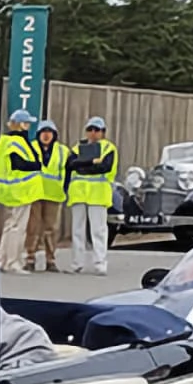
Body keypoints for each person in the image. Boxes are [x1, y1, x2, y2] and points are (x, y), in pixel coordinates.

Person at [0, 110, 42, 275]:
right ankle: (13, 262)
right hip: (21, 190)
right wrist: (36, 165)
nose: (29, 126)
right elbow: (19, 164)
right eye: (27, 123)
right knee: (18, 227)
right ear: (21, 124)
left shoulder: (3, 141)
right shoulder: (18, 142)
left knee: (10, 225)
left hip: (8, 190)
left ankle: (2, 259)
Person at [65, 116, 117, 275]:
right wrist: (91, 162)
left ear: (103, 132)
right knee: (77, 230)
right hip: (79, 193)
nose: (93, 133)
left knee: (98, 230)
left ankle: (100, 263)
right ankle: (77, 263)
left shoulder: (109, 148)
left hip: (98, 193)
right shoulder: (77, 147)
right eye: (90, 129)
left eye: (97, 130)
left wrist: (83, 164)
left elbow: (104, 167)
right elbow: (70, 165)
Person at [23, 120, 67, 272]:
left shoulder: (62, 151)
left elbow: (67, 172)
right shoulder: (31, 148)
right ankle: (30, 258)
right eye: (43, 132)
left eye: (49, 132)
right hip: (35, 193)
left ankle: (50, 259)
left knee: (51, 228)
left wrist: (64, 189)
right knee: (32, 227)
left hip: (54, 194)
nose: (46, 135)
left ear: (54, 135)